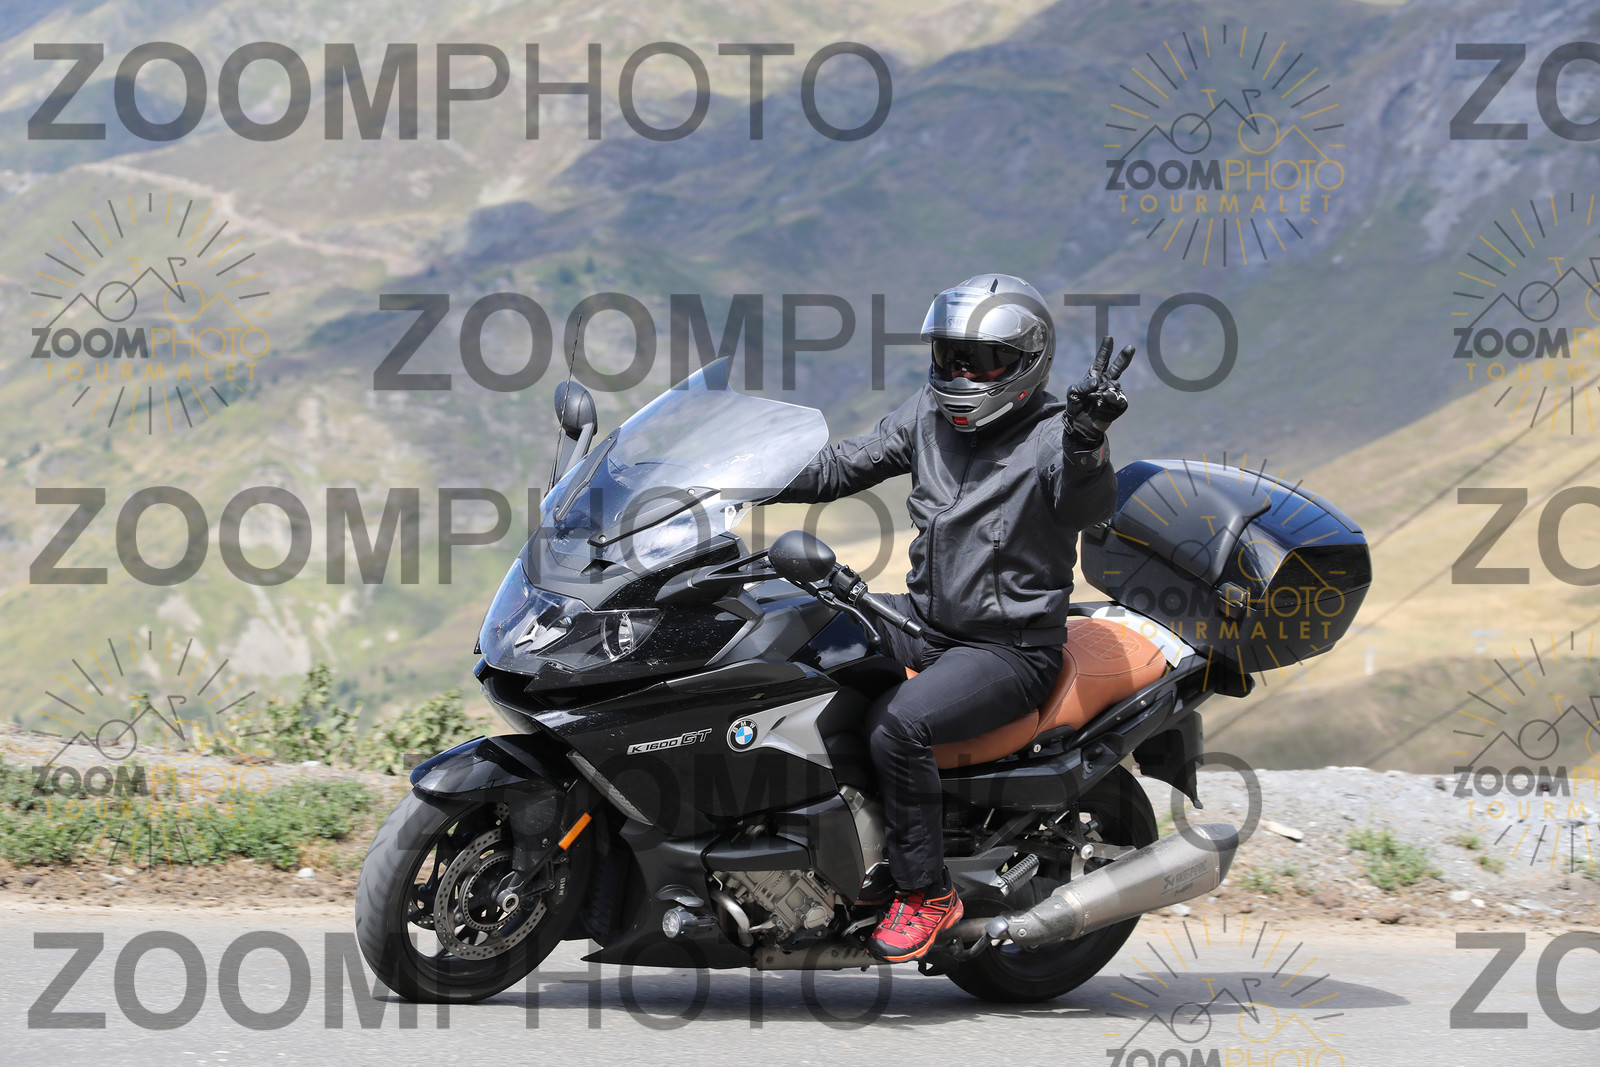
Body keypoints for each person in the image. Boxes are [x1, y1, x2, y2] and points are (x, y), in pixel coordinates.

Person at [774, 273, 1134, 962]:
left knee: (899, 725)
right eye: (952, 356)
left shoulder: (1054, 436)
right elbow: (841, 466)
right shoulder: (928, 416)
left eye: (985, 360)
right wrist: (731, 477)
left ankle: (927, 892)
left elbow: (1086, 506)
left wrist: (1087, 441)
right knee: (801, 637)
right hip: (926, 622)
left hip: (1009, 649)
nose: (964, 374)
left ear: (1025, 363)